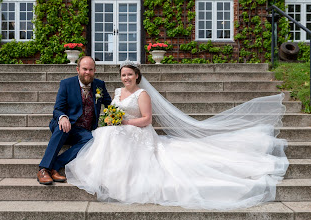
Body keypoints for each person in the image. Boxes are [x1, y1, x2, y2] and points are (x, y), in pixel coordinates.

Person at [65, 60, 289, 210]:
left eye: (129, 75)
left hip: (139, 131)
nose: (126, 78)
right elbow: (111, 110)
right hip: (121, 129)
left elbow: (147, 120)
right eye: (123, 75)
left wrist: (124, 121)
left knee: (113, 137)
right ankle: (107, 175)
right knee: (107, 136)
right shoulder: (116, 92)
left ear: (137, 76)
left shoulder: (142, 94)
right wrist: (111, 120)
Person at [37, 56, 112, 185]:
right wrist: (63, 117)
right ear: (78, 69)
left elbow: (109, 105)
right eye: (84, 69)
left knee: (92, 139)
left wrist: (111, 118)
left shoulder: (99, 85)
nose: (87, 72)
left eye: (90, 69)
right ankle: (44, 169)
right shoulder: (66, 84)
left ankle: (55, 165)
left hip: (83, 130)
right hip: (65, 124)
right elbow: (57, 109)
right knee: (62, 127)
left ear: (94, 70)